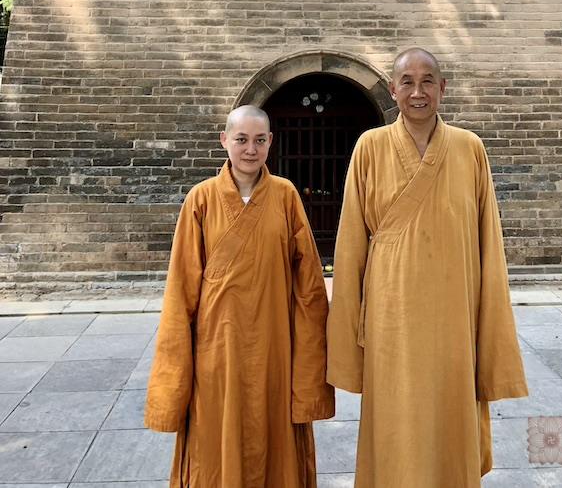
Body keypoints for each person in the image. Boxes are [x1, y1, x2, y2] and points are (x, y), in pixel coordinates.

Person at [327, 48, 528, 487]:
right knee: (395, 416)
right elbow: (350, 247)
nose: (417, 92)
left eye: (427, 81)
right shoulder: (370, 146)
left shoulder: (469, 147)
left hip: (454, 314)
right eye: (407, 82)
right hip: (391, 316)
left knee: (450, 414)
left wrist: (489, 330)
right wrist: (346, 331)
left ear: (442, 88)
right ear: (394, 91)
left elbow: (488, 245)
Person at [145, 104, 335, 488]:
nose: (251, 149)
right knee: (215, 442)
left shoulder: (285, 196)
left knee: (275, 439)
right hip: (217, 353)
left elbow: (310, 287)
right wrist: (175, 376)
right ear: (224, 141)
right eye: (242, 140)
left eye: (260, 140)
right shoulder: (200, 200)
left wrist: (310, 361)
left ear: (270, 143)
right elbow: (181, 291)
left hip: (274, 350)